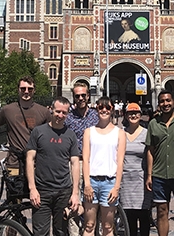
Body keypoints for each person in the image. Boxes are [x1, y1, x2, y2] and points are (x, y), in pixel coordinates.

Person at [0, 76, 50, 194]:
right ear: (18, 89)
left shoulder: (44, 112)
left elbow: (51, 136)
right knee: (14, 200)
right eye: (23, 89)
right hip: (14, 162)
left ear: (34, 90)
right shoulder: (8, 110)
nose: (26, 92)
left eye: (30, 89)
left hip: (36, 163)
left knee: (37, 200)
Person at [26, 96, 80, 236]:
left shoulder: (70, 135)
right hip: (42, 191)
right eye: (57, 111)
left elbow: (75, 163)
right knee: (40, 232)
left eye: (64, 113)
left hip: (63, 191)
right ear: (51, 110)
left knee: (61, 232)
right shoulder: (38, 132)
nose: (60, 115)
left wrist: (75, 193)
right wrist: (32, 188)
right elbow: (30, 159)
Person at [145, 90, 174, 236]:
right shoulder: (153, 123)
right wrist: (149, 175)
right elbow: (150, 150)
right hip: (159, 174)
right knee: (161, 211)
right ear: (158, 104)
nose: (165, 104)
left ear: (173, 102)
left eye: (168, 101)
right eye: (162, 101)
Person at [82, 96, 126, 236]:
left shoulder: (119, 133)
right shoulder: (89, 131)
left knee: (107, 226)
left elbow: (120, 162)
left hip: (109, 182)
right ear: (96, 109)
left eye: (107, 107)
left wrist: (116, 187)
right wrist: (87, 184)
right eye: (101, 107)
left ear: (112, 109)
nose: (104, 110)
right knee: (89, 225)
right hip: (92, 181)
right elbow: (86, 159)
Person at [65, 82, 99, 236]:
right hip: (75, 162)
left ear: (88, 96)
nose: (80, 98)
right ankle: (73, 233)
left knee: (92, 201)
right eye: (77, 96)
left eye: (83, 95)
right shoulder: (68, 117)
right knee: (74, 199)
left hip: (93, 163)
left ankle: (90, 231)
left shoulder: (96, 115)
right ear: (73, 97)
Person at [120, 103, 152, 236]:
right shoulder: (121, 133)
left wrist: (150, 176)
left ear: (140, 115)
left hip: (142, 180)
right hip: (125, 181)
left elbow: (151, 154)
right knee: (129, 218)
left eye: (136, 113)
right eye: (130, 113)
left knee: (144, 216)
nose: (133, 115)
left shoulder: (146, 133)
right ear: (126, 116)